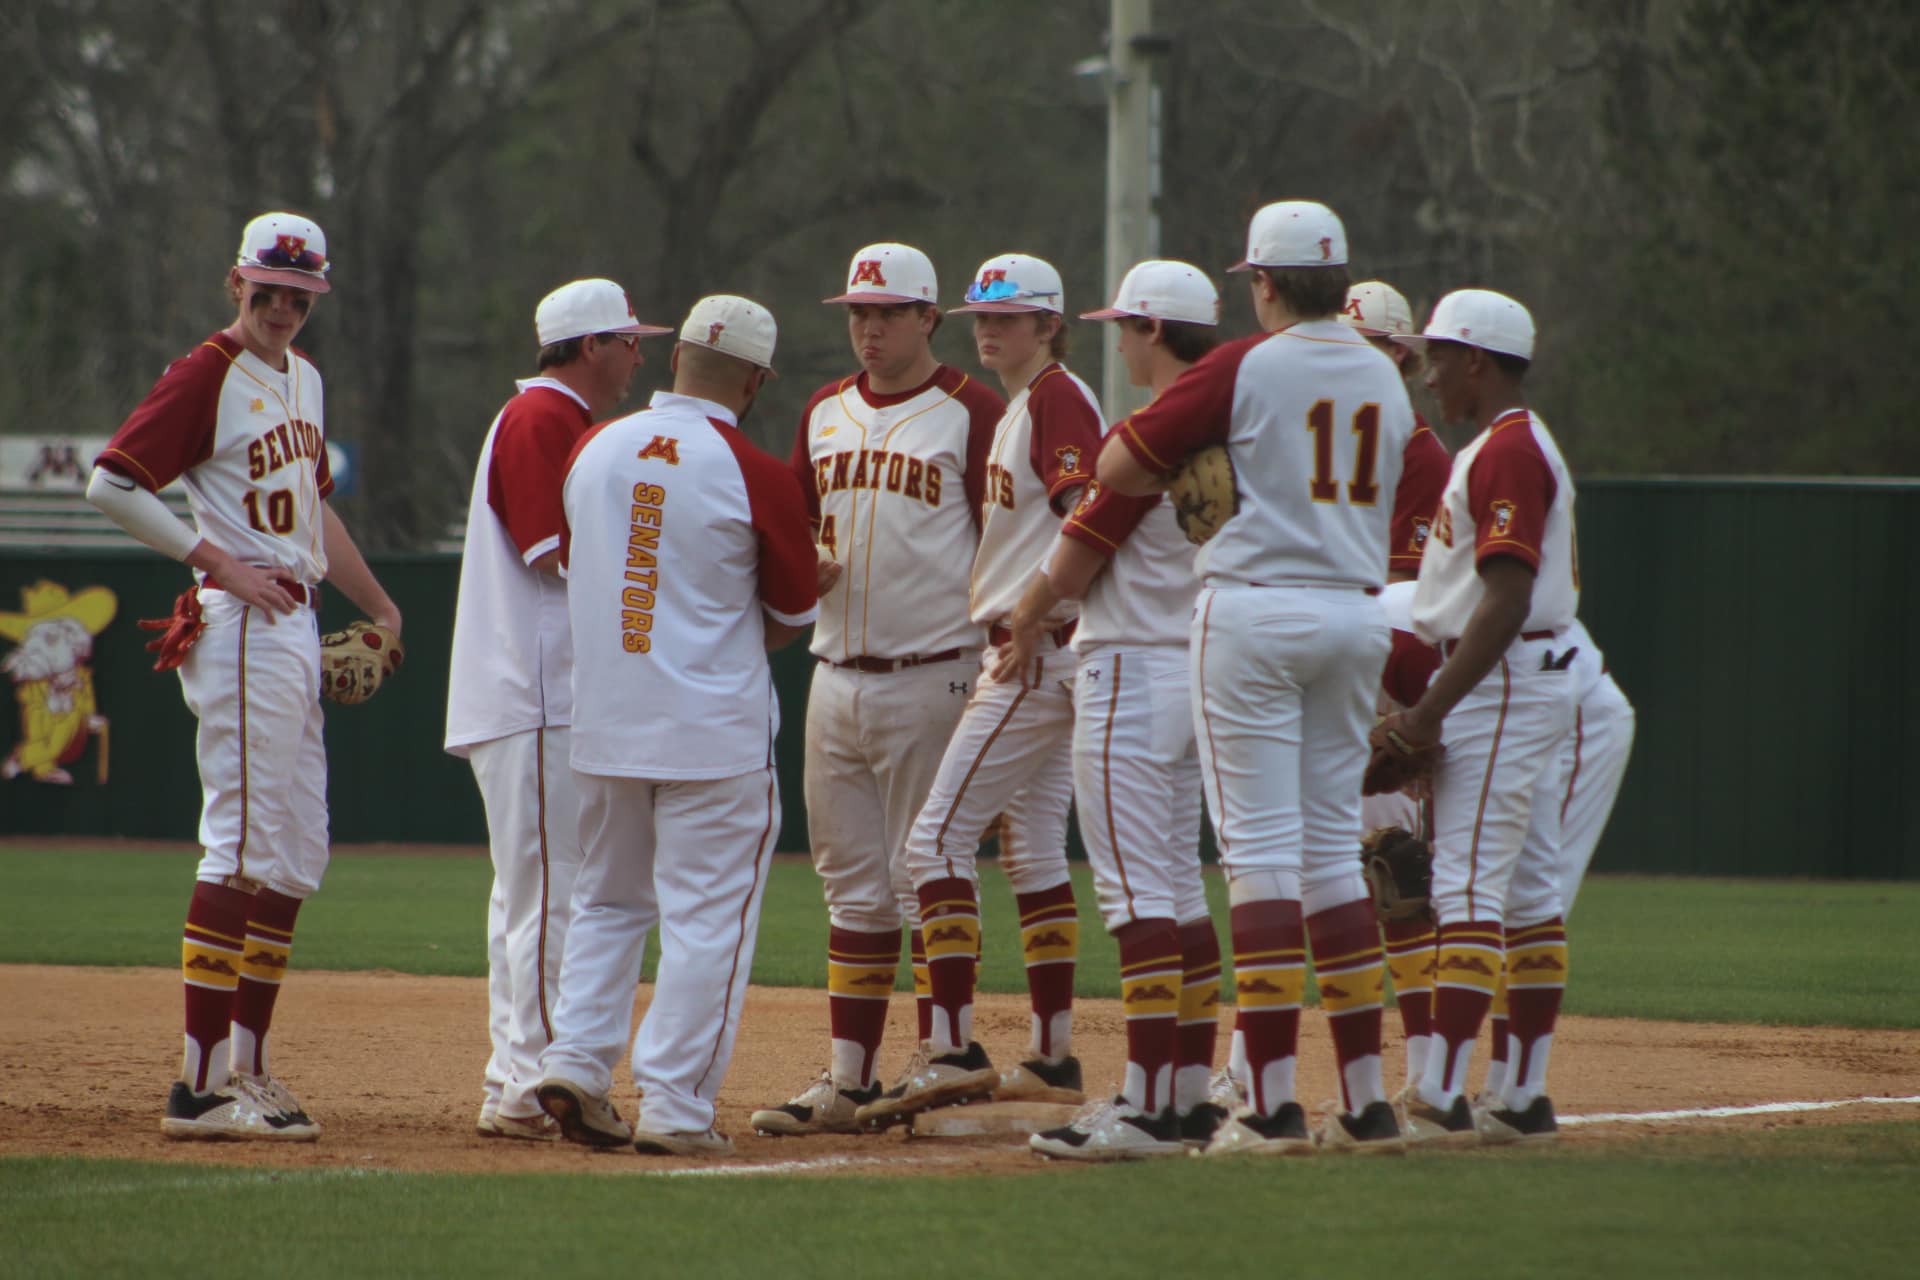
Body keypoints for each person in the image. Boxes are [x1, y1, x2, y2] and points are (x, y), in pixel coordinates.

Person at [1097, 201, 1416, 1155]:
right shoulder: (1383, 375)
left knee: (1262, 856)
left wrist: (1204, 462)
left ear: (1262, 282)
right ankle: (1366, 1106)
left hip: (1255, 608)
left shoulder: (1242, 363)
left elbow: (1117, 465)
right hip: (1357, 613)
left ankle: (1271, 1106)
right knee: (1330, 854)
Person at [86, 211, 402, 1140]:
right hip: (245, 625)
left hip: (296, 620)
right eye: (267, 289)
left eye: (298, 294)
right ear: (237, 284)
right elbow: (112, 484)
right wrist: (213, 561)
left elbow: (312, 520)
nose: (281, 307)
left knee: (296, 855)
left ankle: (249, 1068)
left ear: (316, 297)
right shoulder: (206, 373)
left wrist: (380, 605)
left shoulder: (303, 377)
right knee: (241, 846)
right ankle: (198, 1088)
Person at [534, 294, 817, 1157]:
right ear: (758, 380)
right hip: (711, 733)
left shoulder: (594, 446)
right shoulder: (757, 472)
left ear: (675, 358)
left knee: (608, 902)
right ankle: (676, 1109)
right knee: (706, 921)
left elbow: (593, 572)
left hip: (609, 723)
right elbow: (793, 612)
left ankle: (577, 1063)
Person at [748, 243, 1009, 1137]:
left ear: (931, 318)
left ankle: (948, 1059)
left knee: (926, 872)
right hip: (835, 674)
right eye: (859, 312)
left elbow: (1008, 536)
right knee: (854, 888)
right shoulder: (823, 409)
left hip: (936, 668)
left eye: (889, 313)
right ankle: (850, 1081)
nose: (869, 328)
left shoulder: (974, 409)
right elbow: (792, 520)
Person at [859, 253, 1106, 1128]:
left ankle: (954, 1047)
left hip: (1036, 648)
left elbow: (1090, 512)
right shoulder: (1028, 405)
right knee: (1035, 849)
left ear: (1050, 324)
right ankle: (1051, 1055)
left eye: (1010, 316)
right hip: (1050, 643)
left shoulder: (1059, 399)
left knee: (933, 845)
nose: (990, 329)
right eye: (982, 317)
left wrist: (1044, 614)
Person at [995, 260, 1227, 1161]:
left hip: (1129, 668)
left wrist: (1023, 613)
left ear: (1156, 332)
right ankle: (1187, 1098)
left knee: (1137, 897)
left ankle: (1141, 1104)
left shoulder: (1152, 431)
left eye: (1127, 327)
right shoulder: (1231, 433)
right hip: (1196, 668)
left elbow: (1079, 550)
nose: (1120, 341)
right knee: (1178, 888)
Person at [445, 278, 670, 1141]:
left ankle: (516, 1075)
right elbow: (556, 555)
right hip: (538, 692)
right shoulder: (543, 418)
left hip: (533, 693)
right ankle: (530, 1082)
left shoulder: (560, 420)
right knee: (551, 897)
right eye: (626, 339)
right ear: (589, 347)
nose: (637, 354)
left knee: (534, 895)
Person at [1376, 288, 1584, 1145]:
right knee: (1531, 893)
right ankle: (1520, 1094)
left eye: (1438, 358)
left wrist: (1427, 713)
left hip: (1500, 678)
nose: (1427, 376)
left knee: (1464, 888)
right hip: (1529, 673)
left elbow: (1505, 596)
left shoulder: (1505, 450)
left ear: (1476, 360)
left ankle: (1434, 1093)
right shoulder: (1509, 444)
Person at [1342, 279, 1454, 1087]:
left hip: (1392, 683)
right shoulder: (1320, 441)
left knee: (1399, 879)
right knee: (1313, 881)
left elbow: (1409, 601)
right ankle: (1253, 1069)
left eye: (1375, 348)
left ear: (1403, 360)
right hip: (1328, 670)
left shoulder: (1420, 454)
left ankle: (1425, 1073)